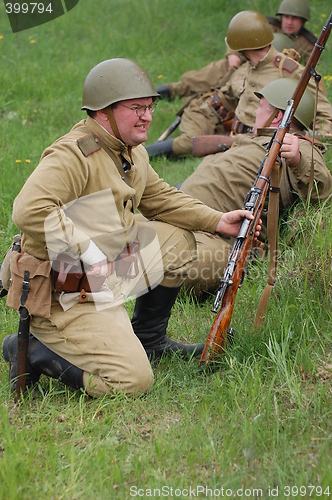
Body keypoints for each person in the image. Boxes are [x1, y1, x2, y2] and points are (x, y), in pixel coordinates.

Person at [1, 58, 261, 397]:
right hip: (60, 291)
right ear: (103, 111)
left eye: (150, 107)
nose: (148, 116)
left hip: (96, 274)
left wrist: (216, 220)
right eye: (136, 108)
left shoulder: (130, 152)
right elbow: (28, 209)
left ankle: (149, 339)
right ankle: (32, 351)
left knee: (178, 240)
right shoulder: (74, 155)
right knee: (133, 381)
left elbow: (160, 198)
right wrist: (87, 249)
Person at [178, 78, 332, 298]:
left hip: (216, 237)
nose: (255, 113)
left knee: (171, 268)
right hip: (181, 216)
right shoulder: (252, 140)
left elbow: (322, 188)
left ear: (277, 116)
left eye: (261, 107)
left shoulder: (295, 144)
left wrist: (298, 158)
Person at [145, 10, 331, 159]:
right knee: (191, 148)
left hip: (259, 146)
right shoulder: (250, 66)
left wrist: (306, 150)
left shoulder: (290, 71)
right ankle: (145, 154)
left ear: (244, 47)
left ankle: (146, 155)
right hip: (233, 137)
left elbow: (322, 114)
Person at [156, 0, 315, 100]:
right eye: (286, 17)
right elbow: (237, 34)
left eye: (294, 18)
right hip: (240, 60)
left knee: (223, 93)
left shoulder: (308, 44)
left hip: (265, 74)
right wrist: (232, 55)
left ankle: (201, 101)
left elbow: (305, 73)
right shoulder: (266, 25)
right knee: (198, 79)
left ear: (303, 21)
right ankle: (162, 94)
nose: (289, 22)